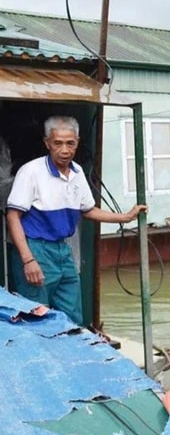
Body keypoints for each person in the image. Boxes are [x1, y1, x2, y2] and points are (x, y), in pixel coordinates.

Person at [5, 116, 146, 326]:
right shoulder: (31, 171)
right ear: (47, 143)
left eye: (70, 143)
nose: (64, 150)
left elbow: (88, 210)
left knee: (71, 313)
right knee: (36, 315)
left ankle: (72, 356)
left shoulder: (77, 172)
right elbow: (13, 216)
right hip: (36, 249)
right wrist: (28, 260)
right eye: (58, 143)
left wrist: (125, 217)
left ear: (77, 142)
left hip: (62, 250)